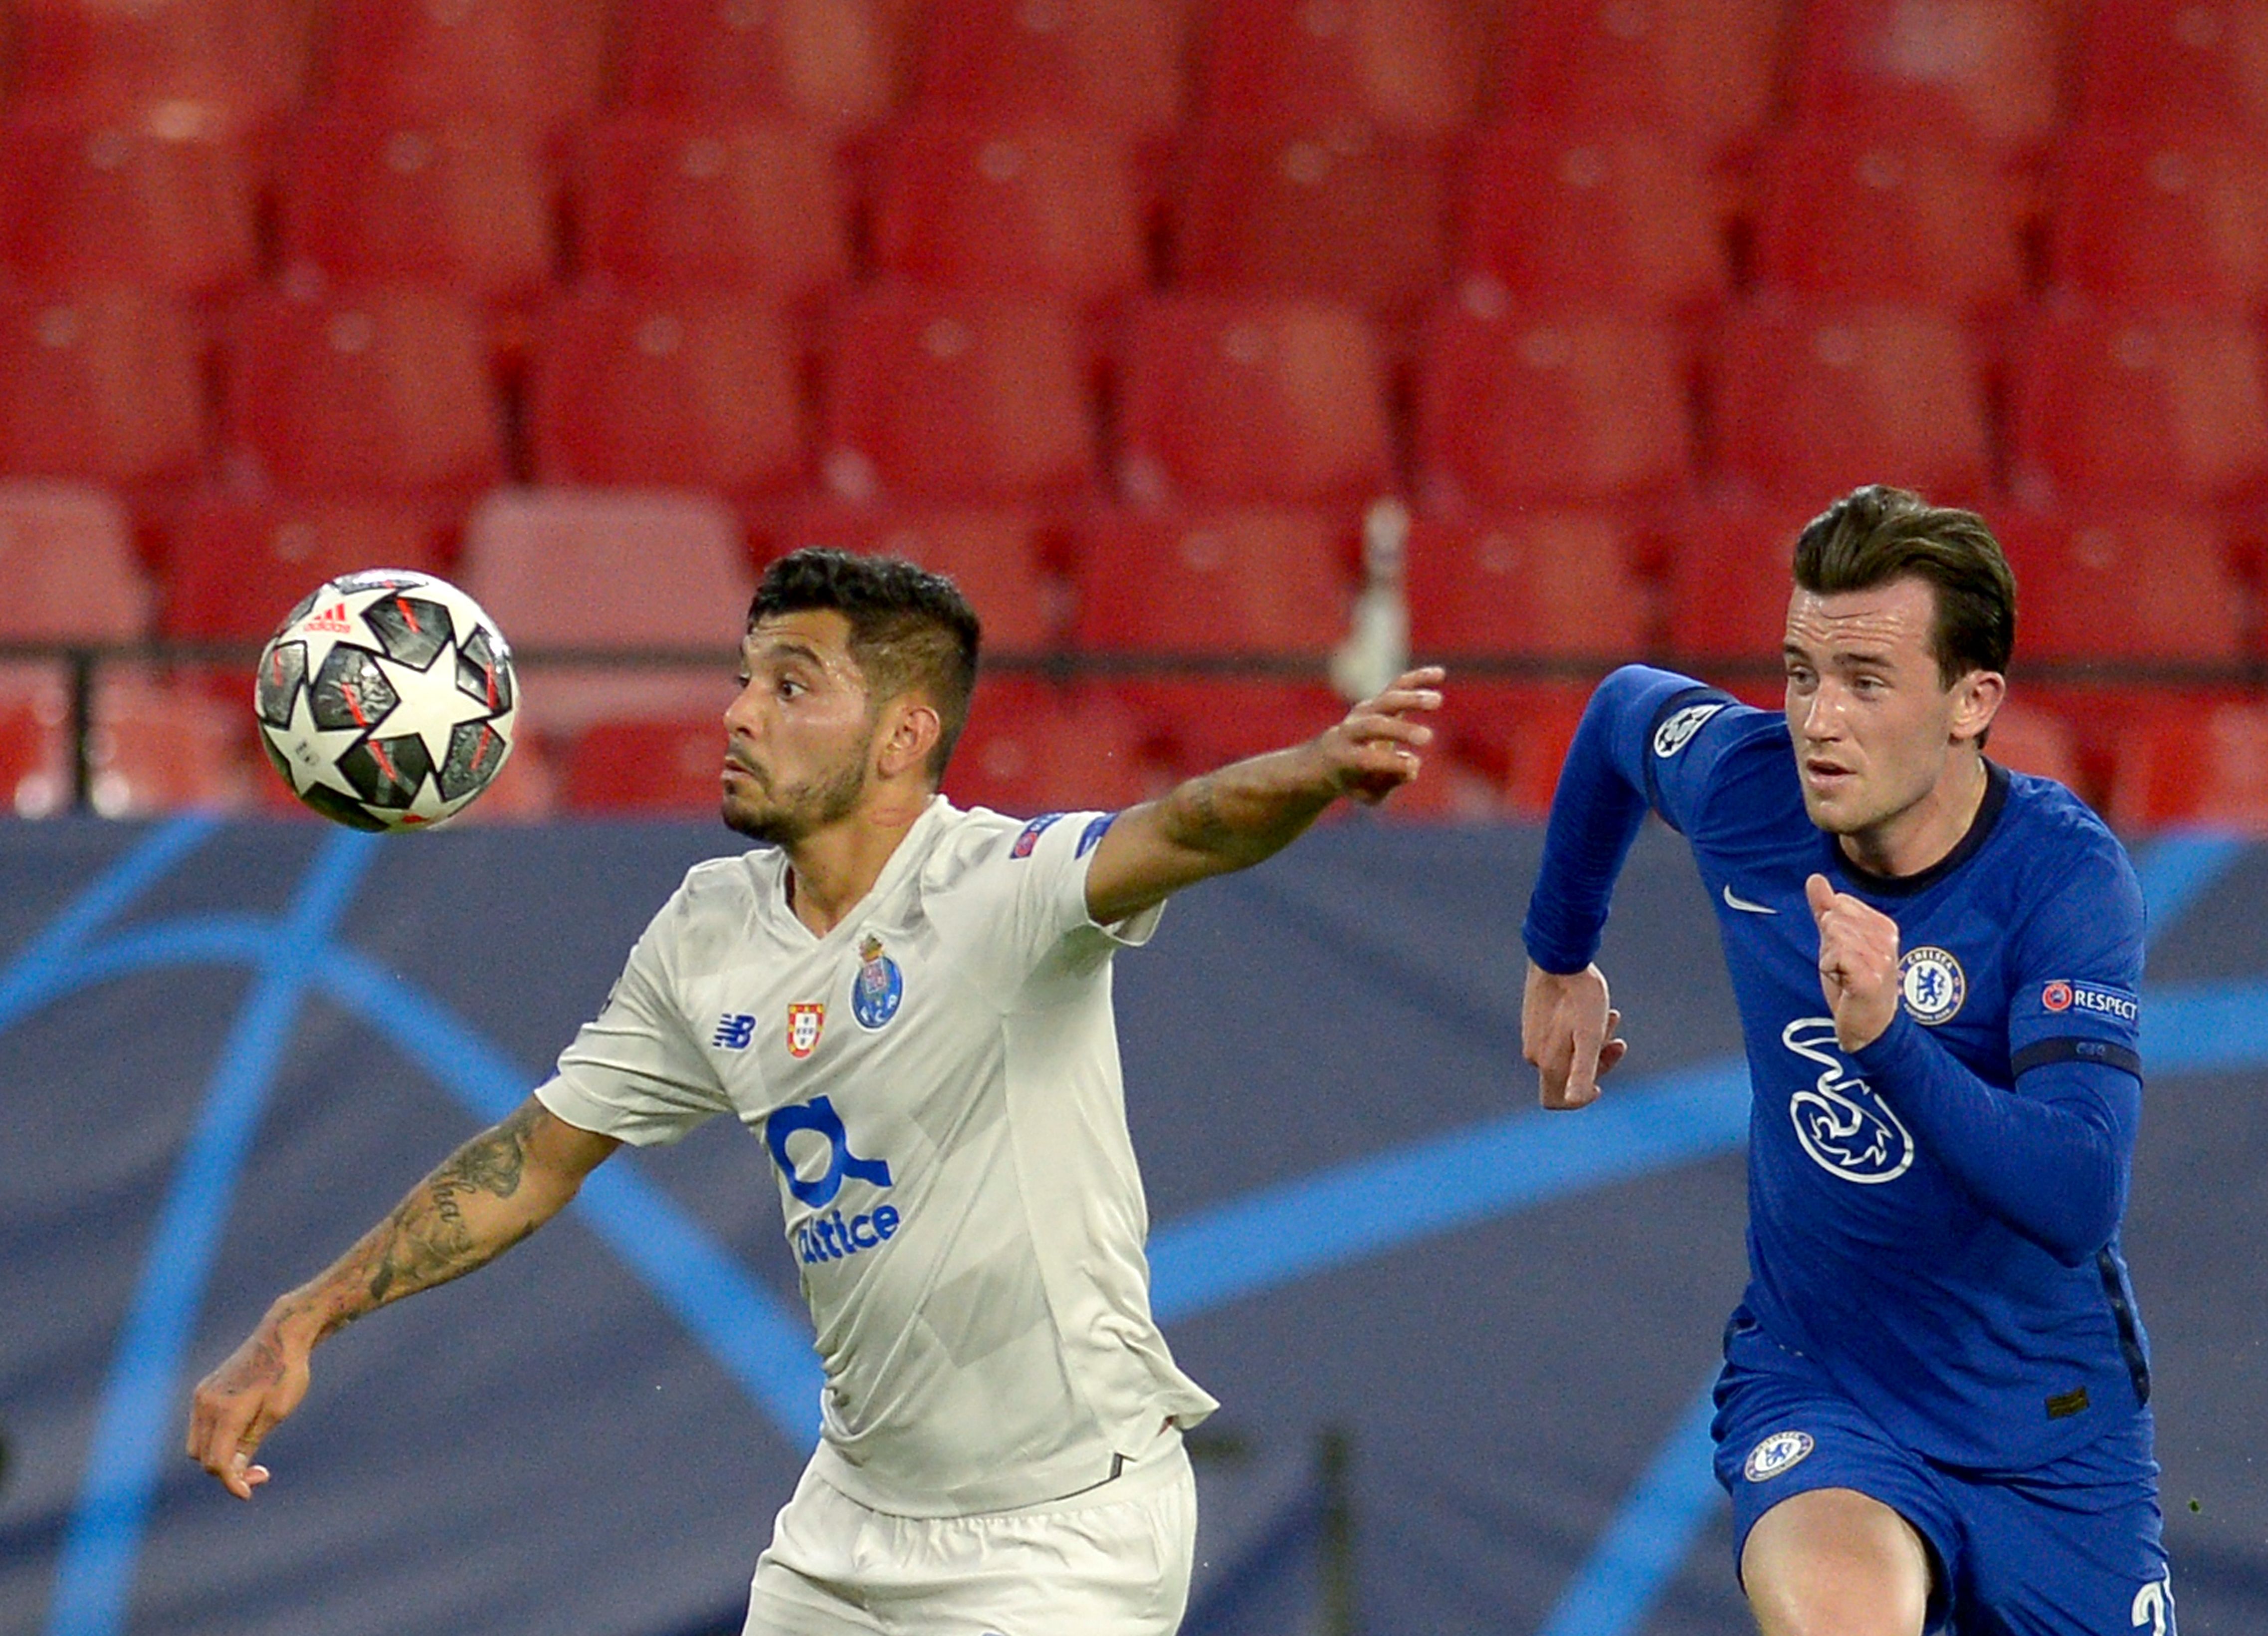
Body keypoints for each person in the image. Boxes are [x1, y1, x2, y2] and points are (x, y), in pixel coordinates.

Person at [190, 547, 1445, 1636]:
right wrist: (307, 1314)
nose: (739, 712)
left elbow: (1189, 823)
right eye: (745, 678)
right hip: (853, 1522)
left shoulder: (998, 889)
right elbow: (538, 1154)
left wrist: (1320, 767)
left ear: (902, 733)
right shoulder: (707, 931)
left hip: (1063, 1537)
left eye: (791, 685)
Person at [1519, 486, 2175, 1635]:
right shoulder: (1746, 785)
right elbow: (1624, 713)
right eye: (1798, 671)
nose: (1817, 721)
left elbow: (2077, 1194)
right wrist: (1558, 952)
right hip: (1826, 1384)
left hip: (2051, 1426)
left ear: (1973, 701)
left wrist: (1886, 1041)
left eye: (1866, 683)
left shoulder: (2063, 878)